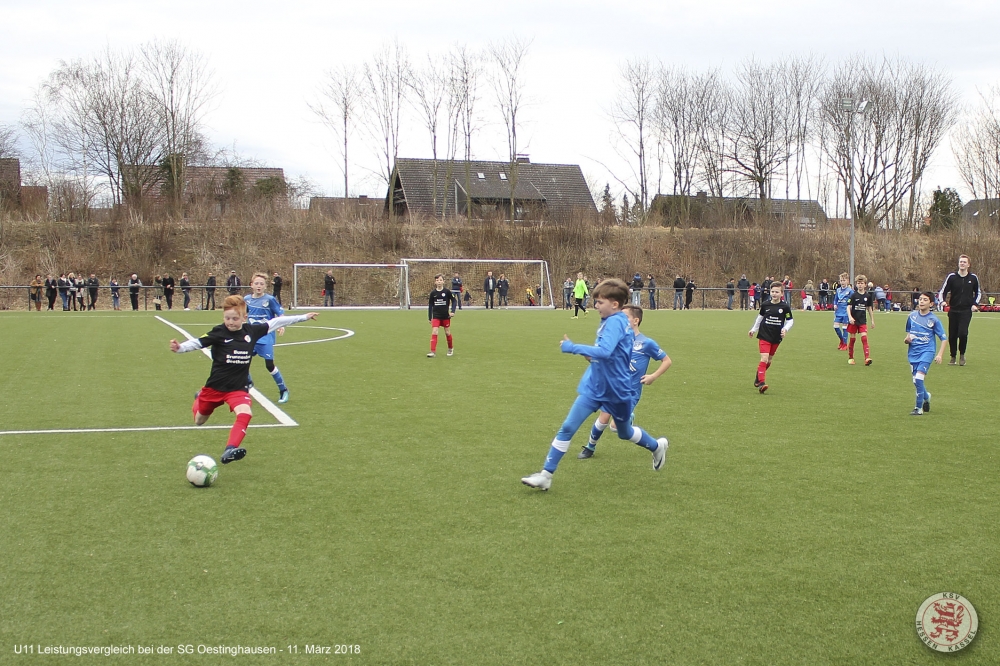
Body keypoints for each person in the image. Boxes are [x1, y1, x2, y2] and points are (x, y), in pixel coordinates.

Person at [521, 279, 668, 491]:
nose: (595, 305)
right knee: (568, 427)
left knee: (624, 432)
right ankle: (546, 475)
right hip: (595, 386)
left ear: (615, 304)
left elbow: (605, 352)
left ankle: (656, 446)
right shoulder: (610, 321)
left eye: (600, 302)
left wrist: (573, 347)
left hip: (617, 390)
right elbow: (609, 355)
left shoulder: (616, 322)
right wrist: (590, 357)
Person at [169, 295, 317, 464]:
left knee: (246, 413)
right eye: (227, 318)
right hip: (215, 387)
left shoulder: (251, 331)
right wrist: (180, 347)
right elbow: (198, 342)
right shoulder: (219, 332)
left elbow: (276, 322)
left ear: (244, 317)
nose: (230, 322)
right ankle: (200, 397)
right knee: (199, 421)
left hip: (237, 388)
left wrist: (304, 317)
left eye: (235, 318)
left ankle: (230, 449)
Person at [578, 304, 671, 459]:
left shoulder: (646, 343)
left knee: (615, 428)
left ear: (635, 320)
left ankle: (631, 421)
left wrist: (653, 376)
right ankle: (590, 447)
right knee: (603, 418)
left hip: (630, 393)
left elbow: (667, 361)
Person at [245, 272, 292, 403]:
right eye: (256, 283)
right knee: (242, 361)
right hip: (251, 337)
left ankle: (283, 390)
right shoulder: (247, 299)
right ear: (251, 285)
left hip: (265, 337)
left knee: (269, 365)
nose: (259, 286)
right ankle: (248, 382)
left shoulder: (269, 300)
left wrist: (281, 325)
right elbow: (242, 314)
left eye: (262, 284)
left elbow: (280, 314)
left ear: (265, 286)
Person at [905, 292, 947, 416]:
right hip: (913, 353)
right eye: (920, 299)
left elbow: (944, 338)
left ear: (931, 303)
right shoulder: (912, 316)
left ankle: (918, 408)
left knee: (919, 379)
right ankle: (926, 396)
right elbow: (909, 334)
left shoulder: (934, 319)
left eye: (925, 299)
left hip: (927, 352)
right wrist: (906, 339)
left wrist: (940, 355)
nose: (921, 301)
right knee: (916, 381)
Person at [749, 282, 794, 394]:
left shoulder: (785, 307)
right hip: (764, 335)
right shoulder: (765, 305)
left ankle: (758, 375)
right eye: (772, 291)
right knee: (764, 359)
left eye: (776, 292)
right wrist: (753, 329)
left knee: (769, 360)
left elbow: (790, 320)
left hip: (776, 336)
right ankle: (762, 383)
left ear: (782, 293)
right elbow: (759, 318)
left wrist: (785, 329)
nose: (774, 294)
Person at [938, 255, 981, 366]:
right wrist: (942, 302)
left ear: (968, 265)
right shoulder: (952, 277)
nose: (962, 263)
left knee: (963, 333)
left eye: (964, 262)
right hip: (953, 310)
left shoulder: (973, 278)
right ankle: (953, 356)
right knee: (952, 335)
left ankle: (962, 354)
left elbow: (978, 292)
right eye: (960, 261)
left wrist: (974, 304)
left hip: (966, 311)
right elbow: (943, 291)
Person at [846, 275, 875, 366]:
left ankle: (867, 358)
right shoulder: (853, 295)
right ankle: (851, 358)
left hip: (862, 321)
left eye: (862, 283)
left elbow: (869, 308)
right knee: (852, 339)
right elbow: (848, 307)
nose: (860, 285)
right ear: (856, 284)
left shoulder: (868, 296)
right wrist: (850, 317)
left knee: (864, 338)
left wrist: (872, 320)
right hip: (853, 321)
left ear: (865, 284)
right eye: (858, 283)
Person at [427, 274, 456, 357]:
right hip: (436, 316)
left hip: (445, 316)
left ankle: (450, 348)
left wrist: (452, 311)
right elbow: (430, 305)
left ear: (443, 281)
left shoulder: (447, 292)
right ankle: (432, 351)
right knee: (435, 331)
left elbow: (454, 301)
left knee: (447, 332)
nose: (439, 282)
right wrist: (430, 317)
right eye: (437, 280)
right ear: (435, 282)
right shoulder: (433, 293)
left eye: (440, 280)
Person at [832, 272, 853, 350]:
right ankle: (841, 340)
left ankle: (845, 344)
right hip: (838, 311)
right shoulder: (838, 290)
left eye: (844, 280)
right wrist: (835, 304)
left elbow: (853, 300)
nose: (842, 282)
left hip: (846, 312)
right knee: (835, 326)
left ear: (847, 281)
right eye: (841, 280)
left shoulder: (850, 291)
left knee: (845, 328)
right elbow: (835, 299)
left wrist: (850, 306)